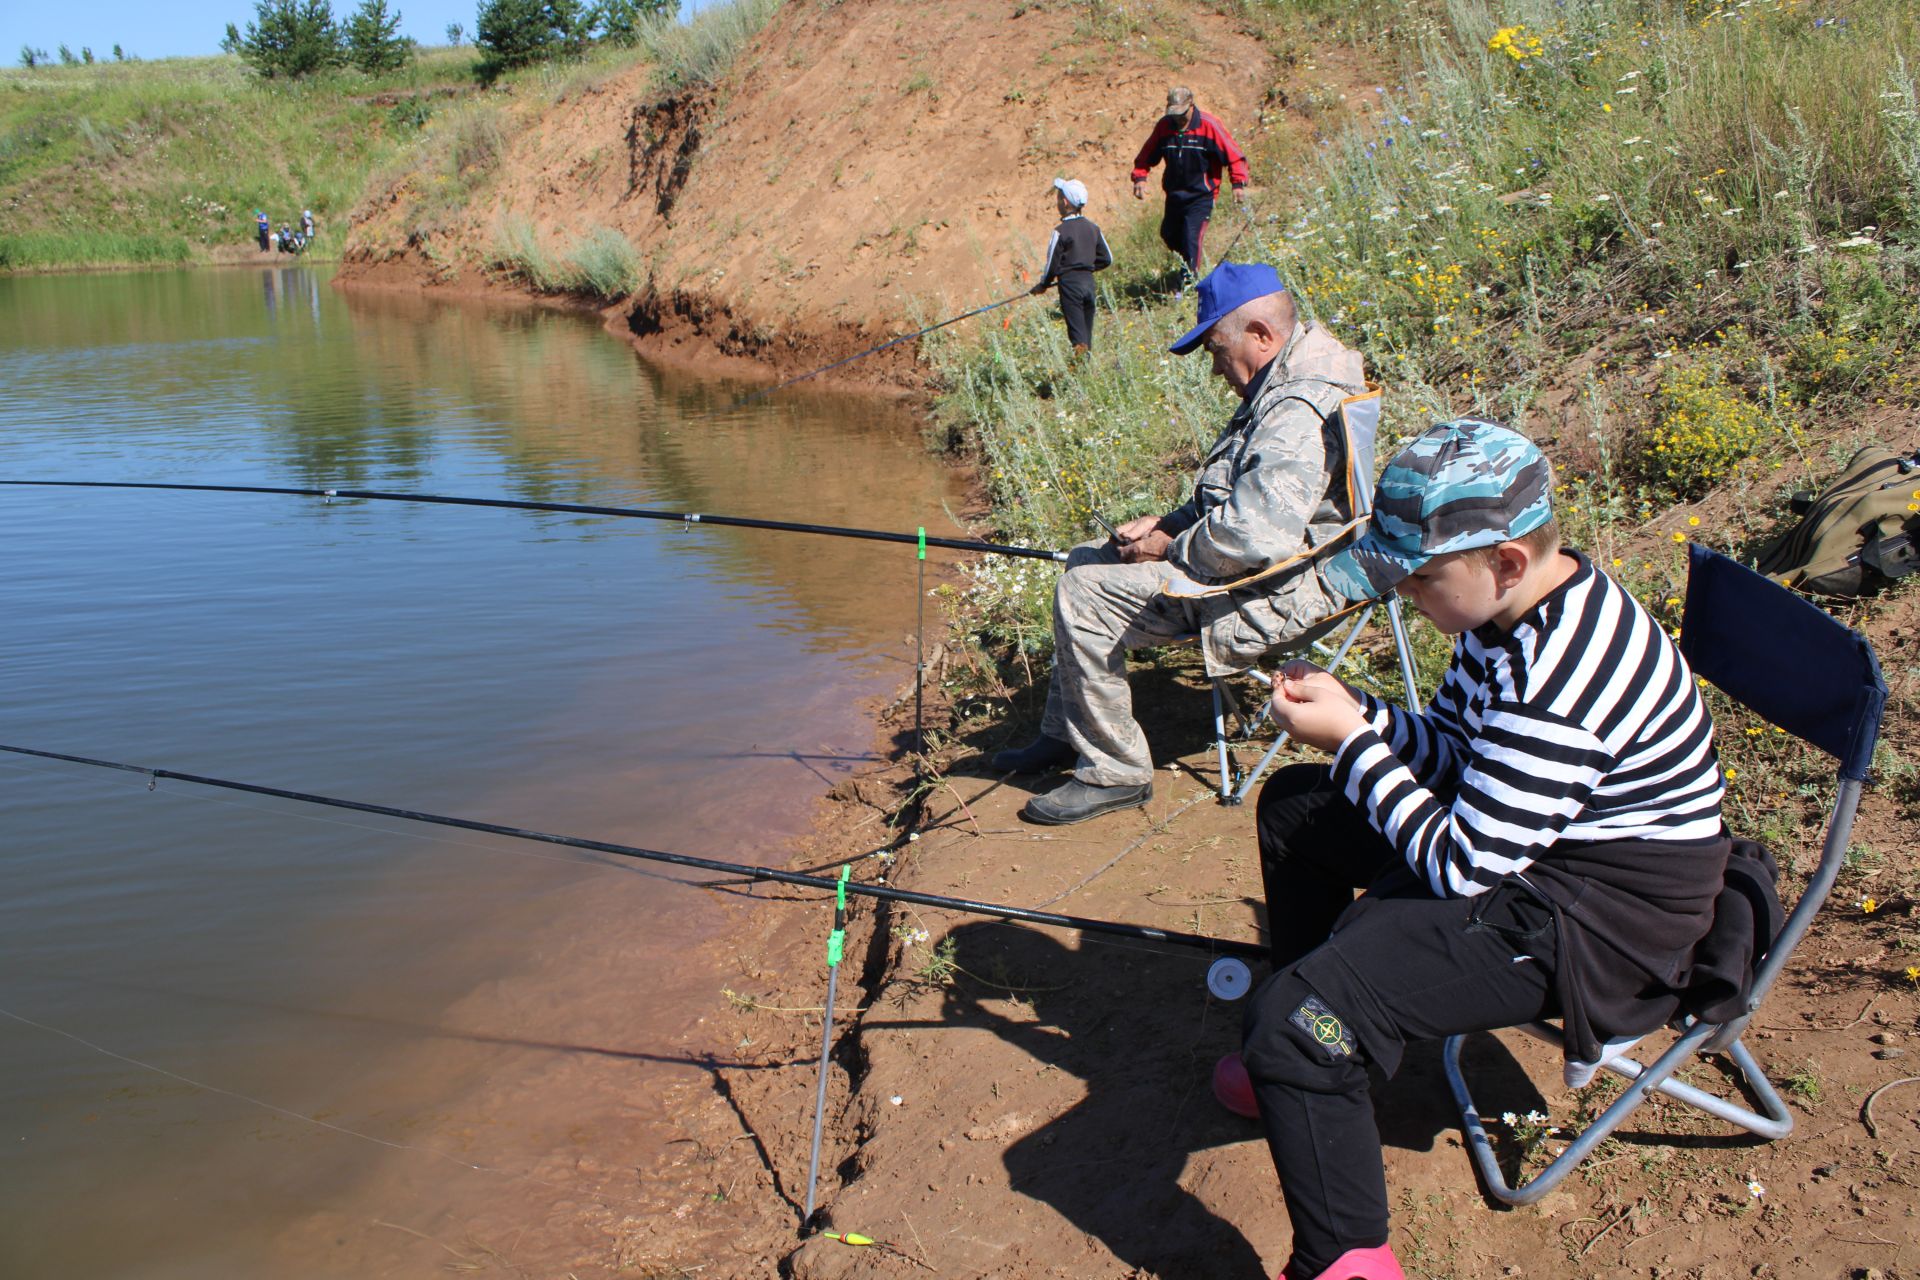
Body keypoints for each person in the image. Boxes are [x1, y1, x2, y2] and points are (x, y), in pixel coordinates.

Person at [1235, 419, 1729, 1280]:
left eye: (1420, 578)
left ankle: (1345, 1255)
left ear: (1503, 561)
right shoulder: (1504, 614)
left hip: (1601, 924)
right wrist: (1368, 714)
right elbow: (1459, 749)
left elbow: (1462, 866)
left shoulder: (1563, 676)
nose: (1404, 596)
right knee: (1294, 810)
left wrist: (1352, 742)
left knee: (1295, 1026)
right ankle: (1315, 1054)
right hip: (1532, 850)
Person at [992, 261, 1367, 825]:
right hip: (1260, 567)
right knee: (1083, 561)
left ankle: (1118, 773)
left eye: (1217, 350)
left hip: (1278, 588)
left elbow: (1255, 534)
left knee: (1086, 594)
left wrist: (1168, 547)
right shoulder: (1288, 377)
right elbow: (1241, 496)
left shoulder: (1296, 407)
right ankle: (1066, 731)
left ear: (1261, 335)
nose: (1215, 370)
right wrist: (1167, 521)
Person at [1131, 86, 1249, 274]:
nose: (1177, 118)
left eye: (1181, 113)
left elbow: (1234, 155)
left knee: (1191, 237)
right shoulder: (1164, 127)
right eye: (1173, 113)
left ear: (1191, 105)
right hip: (1175, 194)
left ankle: (1189, 283)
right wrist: (1140, 177)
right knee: (1168, 234)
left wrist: (1238, 184)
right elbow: (1146, 156)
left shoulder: (1209, 125)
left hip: (1201, 195)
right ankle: (1185, 266)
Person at [1030, 178, 1112, 355]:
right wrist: (1086, 267)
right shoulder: (1093, 228)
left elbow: (1052, 265)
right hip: (1089, 284)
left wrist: (1043, 285)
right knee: (1086, 332)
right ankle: (1086, 370)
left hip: (1070, 286)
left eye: (1059, 198)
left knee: (1077, 336)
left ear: (1065, 202)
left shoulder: (1060, 231)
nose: (1058, 202)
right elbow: (1107, 258)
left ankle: (1079, 372)